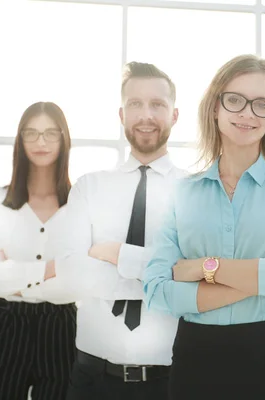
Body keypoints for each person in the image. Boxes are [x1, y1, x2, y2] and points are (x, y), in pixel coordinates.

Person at [143, 54, 265, 400]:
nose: (247, 113)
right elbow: (157, 289)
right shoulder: (183, 190)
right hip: (198, 360)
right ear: (215, 107)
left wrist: (204, 269)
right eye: (235, 100)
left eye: (262, 104)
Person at [59, 62, 184, 400]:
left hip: (174, 381)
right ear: (121, 114)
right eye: (135, 104)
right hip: (92, 380)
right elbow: (70, 277)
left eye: (158, 104)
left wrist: (115, 254)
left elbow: (197, 281)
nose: (146, 114)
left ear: (175, 114)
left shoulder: (197, 192)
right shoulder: (89, 187)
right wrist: (162, 276)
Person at [0, 101, 76, 400]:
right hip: (5, 325)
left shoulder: (81, 206)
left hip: (61, 327)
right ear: (20, 140)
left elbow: (83, 274)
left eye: (50, 133)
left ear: (64, 139)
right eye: (31, 133)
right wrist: (51, 268)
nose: (41, 141)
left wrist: (14, 274)